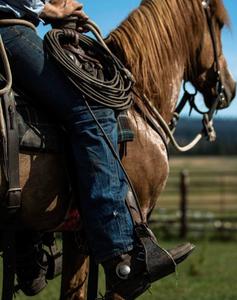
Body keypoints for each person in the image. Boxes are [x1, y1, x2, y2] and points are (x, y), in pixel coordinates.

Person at [0, 1, 194, 299]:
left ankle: (30, 245)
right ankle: (120, 255)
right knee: (93, 109)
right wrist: (49, 10)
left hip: (17, 29)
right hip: (8, 31)